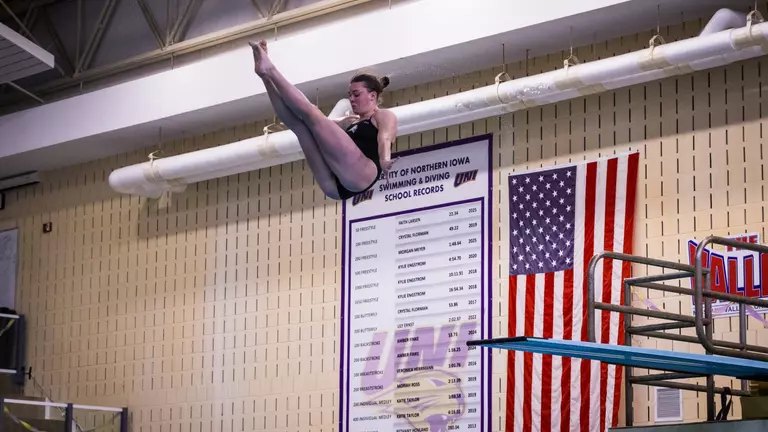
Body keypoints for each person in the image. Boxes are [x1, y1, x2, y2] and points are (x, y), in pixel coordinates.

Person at [249, 39, 398, 200]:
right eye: (349, 95)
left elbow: (385, 138)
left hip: (363, 174)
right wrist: (339, 124)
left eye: (356, 94)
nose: (352, 99)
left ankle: (271, 69)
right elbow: (325, 134)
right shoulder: (352, 121)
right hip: (335, 187)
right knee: (300, 127)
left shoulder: (383, 116)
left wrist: (385, 160)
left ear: (372, 95)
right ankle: (265, 76)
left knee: (312, 112)